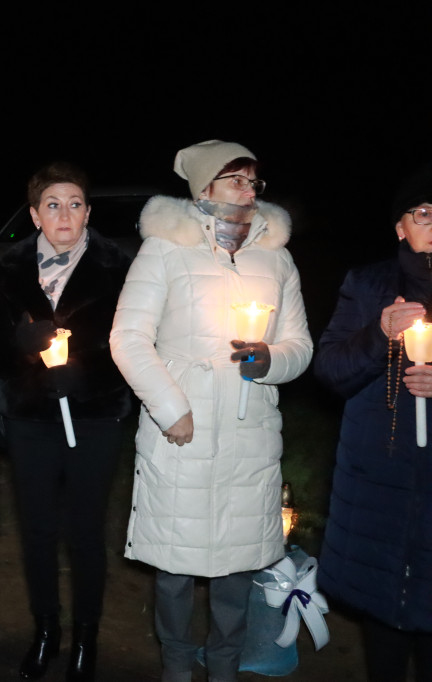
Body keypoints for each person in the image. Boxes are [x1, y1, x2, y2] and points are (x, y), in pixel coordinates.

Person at [109, 140, 312, 682]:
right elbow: (128, 337)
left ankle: (225, 663)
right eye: (235, 179)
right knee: (175, 562)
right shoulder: (165, 250)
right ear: (204, 188)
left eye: (253, 181)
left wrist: (270, 358)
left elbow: (300, 346)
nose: (249, 190)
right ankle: (176, 661)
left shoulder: (277, 257)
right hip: (183, 431)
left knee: (238, 564)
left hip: (250, 429)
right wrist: (170, 406)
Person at [0, 161, 132, 681]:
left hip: (95, 418)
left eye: (73, 203)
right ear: (34, 215)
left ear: (87, 211)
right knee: (39, 529)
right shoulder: (12, 268)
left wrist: (88, 379)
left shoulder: (117, 265)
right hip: (32, 419)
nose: (63, 213)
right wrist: (21, 349)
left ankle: (86, 635)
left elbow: (137, 344)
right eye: (52, 204)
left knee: (86, 531)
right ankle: (46, 629)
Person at [313, 163, 432, 682]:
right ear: (399, 226)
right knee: (382, 629)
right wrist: (378, 334)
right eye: (423, 212)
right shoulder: (367, 285)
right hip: (377, 484)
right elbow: (331, 371)